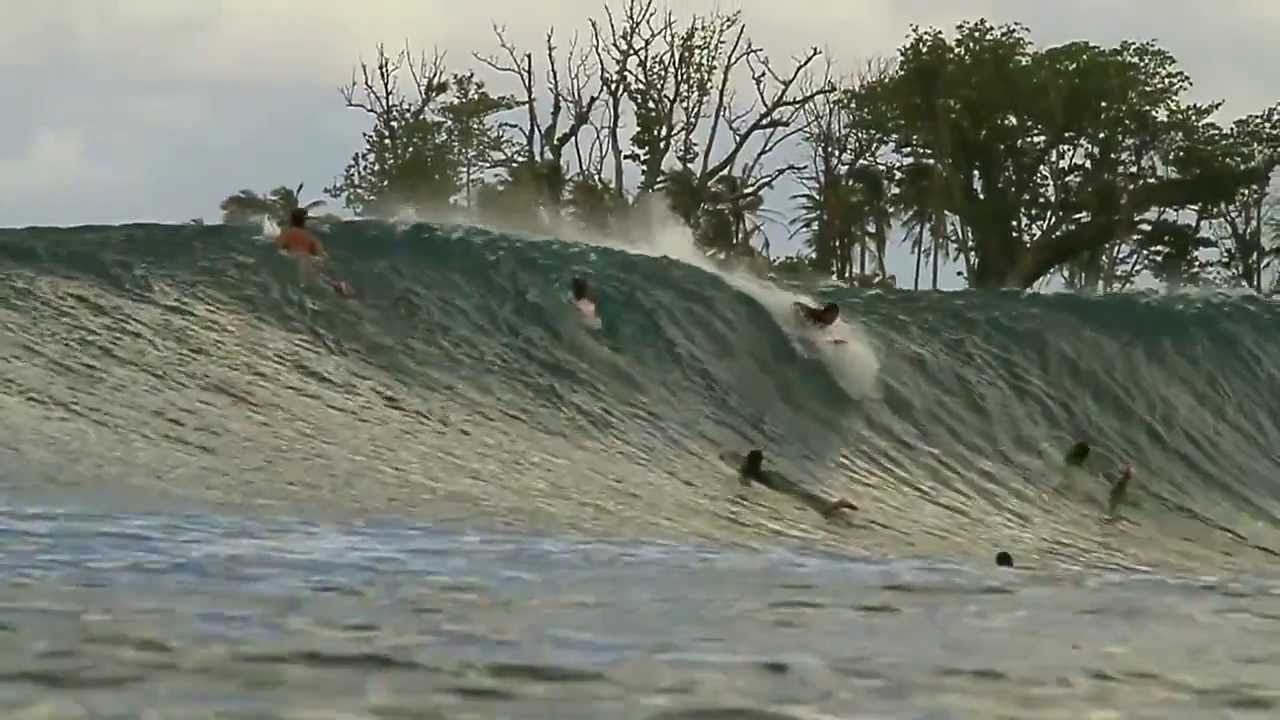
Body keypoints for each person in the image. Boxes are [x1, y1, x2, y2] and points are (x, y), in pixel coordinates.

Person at [737, 449, 857, 519]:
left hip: (788, 491)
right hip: (791, 487)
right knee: (816, 501)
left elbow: (745, 485)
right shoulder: (765, 472)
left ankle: (839, 504)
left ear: (749, 460)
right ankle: (837, 504)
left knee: (821, 511)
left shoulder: (751, 474)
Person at [275, 208, 353, 297]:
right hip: (313, 260)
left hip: (300, 260)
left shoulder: (287, 233)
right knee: (324, 278)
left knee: (311, 284)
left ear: (292, 220)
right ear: (304, 221)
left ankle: (336, 286)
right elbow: (323, 254)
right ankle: (339, 285)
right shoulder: (310, 237)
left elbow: (277, 248)